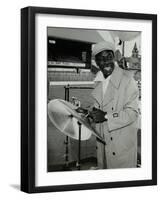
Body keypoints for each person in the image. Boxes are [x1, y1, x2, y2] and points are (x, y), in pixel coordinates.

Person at [90, 41, 139, 169]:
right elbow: (100, 108)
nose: (105, 62)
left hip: (121, 146)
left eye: (109, 57)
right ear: (96, 62)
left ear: (114, 58)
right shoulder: (99, 81)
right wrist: (89, 113)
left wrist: (106, 116)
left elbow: (132, 113)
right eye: (101, 59)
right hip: (103, 143)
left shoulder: (128, 80)